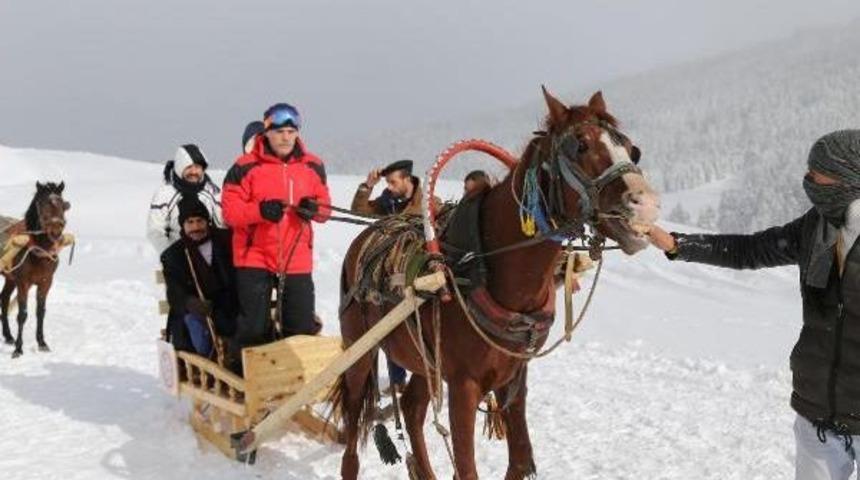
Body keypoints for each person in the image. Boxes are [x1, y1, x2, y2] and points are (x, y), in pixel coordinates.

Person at [648, 130, 860, 480]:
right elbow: (751, 249)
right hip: (818, 413)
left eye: (817, 172)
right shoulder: (816, 226)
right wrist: (677, 244)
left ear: (848, 176)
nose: (808, 180)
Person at [221, 102, 331, 369]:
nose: (286, 137)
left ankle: (295, 384)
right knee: (254, 328)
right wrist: (260, 211)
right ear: (266, 131)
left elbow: (325, 207)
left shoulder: (313, 165)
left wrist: (314, 209)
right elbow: (230, 212)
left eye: (291, 131)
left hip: (296, 257)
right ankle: (245, 383)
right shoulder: (244, 167)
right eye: (280, 131)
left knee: (302, 326)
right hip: (254, 256)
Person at [161, 195, 238, 356]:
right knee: (195, 324)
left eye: (199, 221)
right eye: (190, 222)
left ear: (207, 221)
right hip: (197, 310)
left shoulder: (226, 240)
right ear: (183, 225)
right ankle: (207, 361)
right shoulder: (173, 255)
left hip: (228, 305)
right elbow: (174, 292)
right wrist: (191, 303)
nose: (196, 227)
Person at [147, 144, 223, 253]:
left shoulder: (213, 192)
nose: (194, 172)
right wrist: (170, 256)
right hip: (177, 252)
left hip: (209, 254)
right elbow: (155, 231)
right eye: (189, 167)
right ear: (179, 168)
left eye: (197, 167)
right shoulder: (165, 193)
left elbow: (221, 226)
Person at [352, 159, 426, 216]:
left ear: (407, 179)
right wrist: (368, 185)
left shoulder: (429, 204)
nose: (389, 187)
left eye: (393, 182)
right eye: (388, 182)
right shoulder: (387, 203)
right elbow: (358, 211)